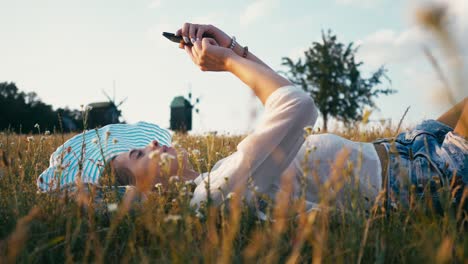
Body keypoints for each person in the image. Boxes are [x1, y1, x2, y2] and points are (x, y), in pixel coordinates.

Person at [39, 23, 467, 213]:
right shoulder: (212, 195)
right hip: (419, 177)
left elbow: (287, 103)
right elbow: (298, 107)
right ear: (148, 191)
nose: (152, 144)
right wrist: (225, 63)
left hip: (406, 145)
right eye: (136, 154)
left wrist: (234, 49)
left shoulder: (220, 174)